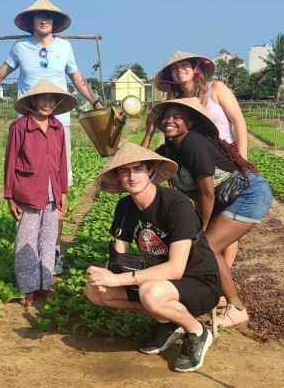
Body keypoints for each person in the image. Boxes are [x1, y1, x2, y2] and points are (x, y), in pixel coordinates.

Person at [0, 0, 105, 273]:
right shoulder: (20, 47)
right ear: (31, 22)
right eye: (38, 17)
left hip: (58, 124)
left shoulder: (64, 47)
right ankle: (28, 251)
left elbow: (78, 79)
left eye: (48, 17)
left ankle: (53, 253)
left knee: (57, 188)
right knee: (28, 183)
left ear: (55, 22)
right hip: (28, 124)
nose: (43, 20)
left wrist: (95, 102)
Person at [84, 143, 222, 373]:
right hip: (160, 283)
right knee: (94, 290)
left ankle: (195, 330)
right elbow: (118, 258)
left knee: (151, 293)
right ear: (118, 177)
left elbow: (176, 269)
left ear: (150, 170)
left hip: (198, 281)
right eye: (124, 171)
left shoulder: (176, 205)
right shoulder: (125, 207)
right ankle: (167, 321)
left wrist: (119, 280)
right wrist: (104, 273)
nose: (131, 176)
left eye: (138, 169)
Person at [141, 97, 272, 328]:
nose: (169, 120)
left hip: (249, 195)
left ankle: (237, 308)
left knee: (206, 246)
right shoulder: (170, 149)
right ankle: (218, 296)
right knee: (205, 247)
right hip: (228, 199)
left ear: (189, 124)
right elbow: (138, 165)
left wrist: (198, 228)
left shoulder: (194, 143)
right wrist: (149, 132)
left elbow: (207, 193)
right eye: (165, 117)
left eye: (177, 116)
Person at [152, 51, 250, 308]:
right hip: (198, 167)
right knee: (206, 217)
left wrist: (242, 159)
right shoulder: (179, 102)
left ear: (195, 68)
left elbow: (238, 121)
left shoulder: (215, 89)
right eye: (174, 69)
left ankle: (219, 276)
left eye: (184, 66)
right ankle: (215, 275)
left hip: (224, 165)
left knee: (220, 224)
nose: (179, 71)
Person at [4, 80, 75, 306]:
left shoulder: (57, 128)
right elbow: (10, 161)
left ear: (56, 102)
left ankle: (45, 284)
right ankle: (29, 287)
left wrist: (63, 191)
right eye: (42, 98)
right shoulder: (20, 127)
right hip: (27, 192)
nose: (47, 103)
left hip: (53, 192)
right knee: (26, 240)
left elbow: (62, 162)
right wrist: (9, 195)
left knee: (48, 239)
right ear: (33, 101)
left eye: (51, 99)